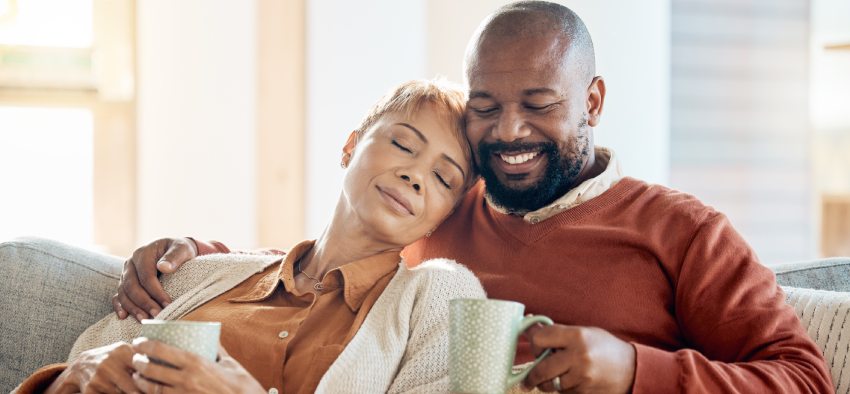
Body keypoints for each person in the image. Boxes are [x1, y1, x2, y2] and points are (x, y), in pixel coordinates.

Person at [112, 1, 833, 393]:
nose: (509, 131)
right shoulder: (446, 208)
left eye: (540, 104)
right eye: (486, 105)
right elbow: (336, 265)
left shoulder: (681, 230)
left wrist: (635, 370)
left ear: (593, 100)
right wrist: (192, 258)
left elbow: (805, 378)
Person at [13, 78, 485, 394]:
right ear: (350, 145)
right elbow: (87, 356)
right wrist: (75, 375)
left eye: (444, 179)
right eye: (403, 144)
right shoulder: (203, 274)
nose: (417, 175)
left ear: (442, 216)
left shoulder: (437, 296)